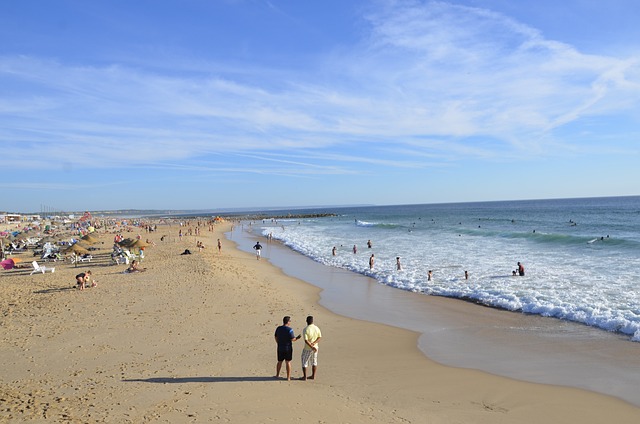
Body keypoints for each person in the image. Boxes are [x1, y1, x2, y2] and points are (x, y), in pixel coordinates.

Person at [274, 316, 301, 381]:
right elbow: (293, 339)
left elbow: (275, 336)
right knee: (288, 362)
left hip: (280, 347)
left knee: (279, 361)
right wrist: (297, 338)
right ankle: (288, 377)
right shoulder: (290, 329)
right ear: (288, 322)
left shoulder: (278, 328)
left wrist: (278, 342)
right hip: (287, 348)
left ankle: (277, 374)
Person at [301, 315, 322, 381]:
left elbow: (306, 340)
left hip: (308, 348)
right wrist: (314, 343)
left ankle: (305, 377)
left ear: (306, 321)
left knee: (304, 361)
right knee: (314, 361)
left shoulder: (306, 329)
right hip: (315, 347)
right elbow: (319, 337)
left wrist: (311, 346)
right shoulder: (317, 328)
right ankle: (313, 375)